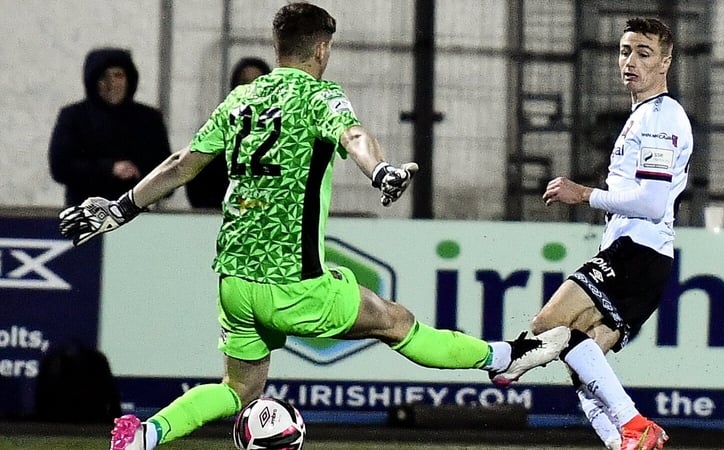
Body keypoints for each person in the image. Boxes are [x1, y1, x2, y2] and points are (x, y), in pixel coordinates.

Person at [57, 3, 569, 450]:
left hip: (236, 281)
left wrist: (121, 208)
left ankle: (146, 435)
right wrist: (380, 171)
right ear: (322, 49)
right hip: (293, 283)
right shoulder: (319, 96)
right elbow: (354, 136)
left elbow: (182, 163)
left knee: (238, 390)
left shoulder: (242, 99)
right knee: (395, 322)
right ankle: (504, 357)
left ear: (277, 47)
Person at [526, 18, 693, 450]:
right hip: (644, 257)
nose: (630, 61)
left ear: (665, 63)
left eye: (644, 53)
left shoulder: (660, 116)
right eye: (625, 51)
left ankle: (634, 424)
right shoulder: (643, 116)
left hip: (637, 252)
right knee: (582, 356)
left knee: (548, 325)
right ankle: (623, 441)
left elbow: (652, 203)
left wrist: (585, 194)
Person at [49, 47, 172, 206]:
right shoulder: (74, 117)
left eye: (118, 76)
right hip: (86, 211)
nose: (111, 84)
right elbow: (60, 167)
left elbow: (167, 174)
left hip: (137, 212)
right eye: (103, 77)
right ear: (93, 82)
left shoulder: (149, 119)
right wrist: (109, 169)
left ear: (129, 79)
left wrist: (138, 173)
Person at [185, 57, 272, 209]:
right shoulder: (216, 129)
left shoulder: (285, 133)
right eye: (244, 83)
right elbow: (196, 184)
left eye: (258, 82)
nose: (251, 89)